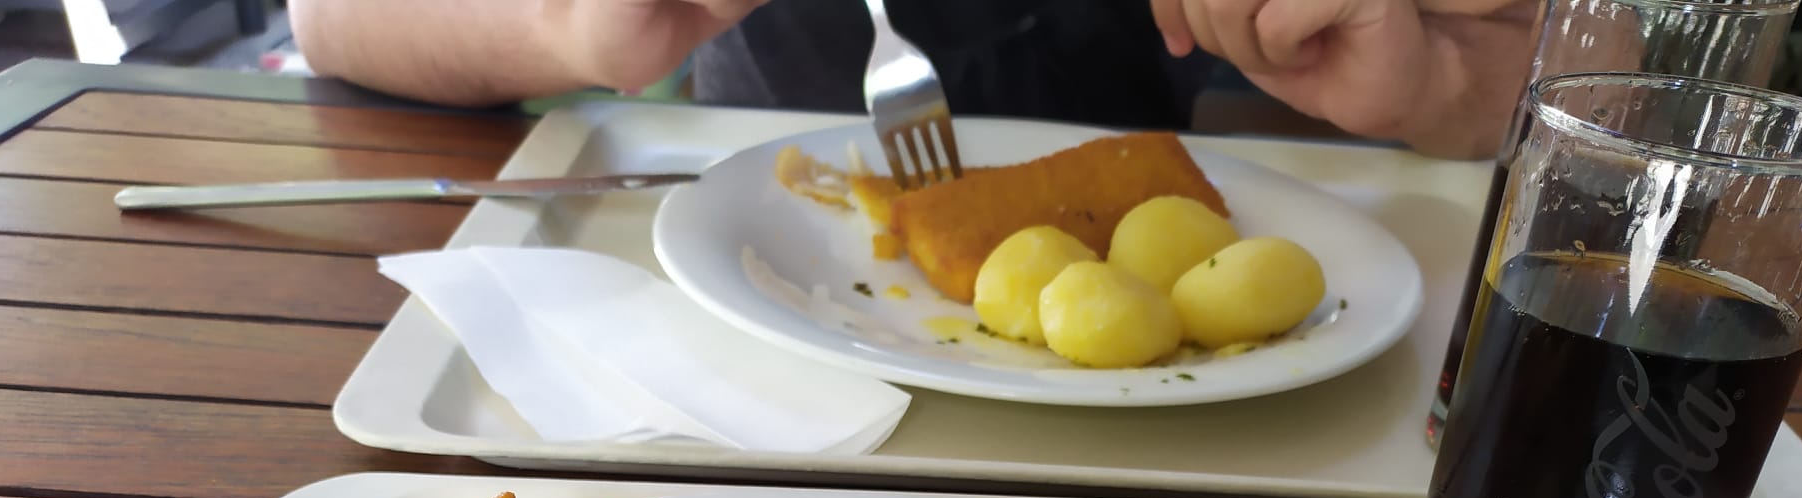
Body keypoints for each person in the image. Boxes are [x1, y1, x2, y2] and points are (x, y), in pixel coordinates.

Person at [287, 0, 1536, 159]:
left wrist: (1434, 80)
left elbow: (1589, 71)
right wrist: (578, 24)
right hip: (741, 320)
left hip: (1214, 415)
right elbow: (334, 22)